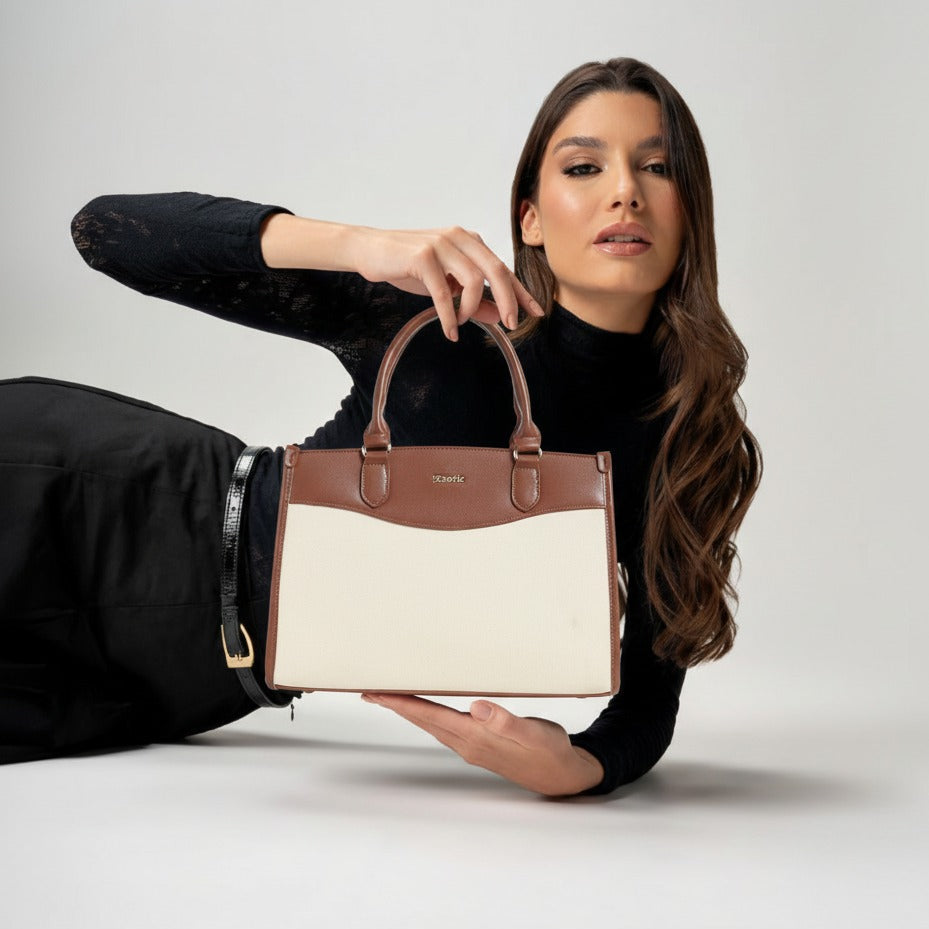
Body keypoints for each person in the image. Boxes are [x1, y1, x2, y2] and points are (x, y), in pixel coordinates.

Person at [0, 56, 762, 797]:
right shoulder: (445, 323)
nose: (624, 193)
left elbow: (647, 701)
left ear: (689, 208)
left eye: (657, 168)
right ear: (528, 218)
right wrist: (365, 249)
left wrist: (578, 767)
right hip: (95, 503)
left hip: (177, 686)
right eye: (584, 168)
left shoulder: (684, 440)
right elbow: (103, 232)